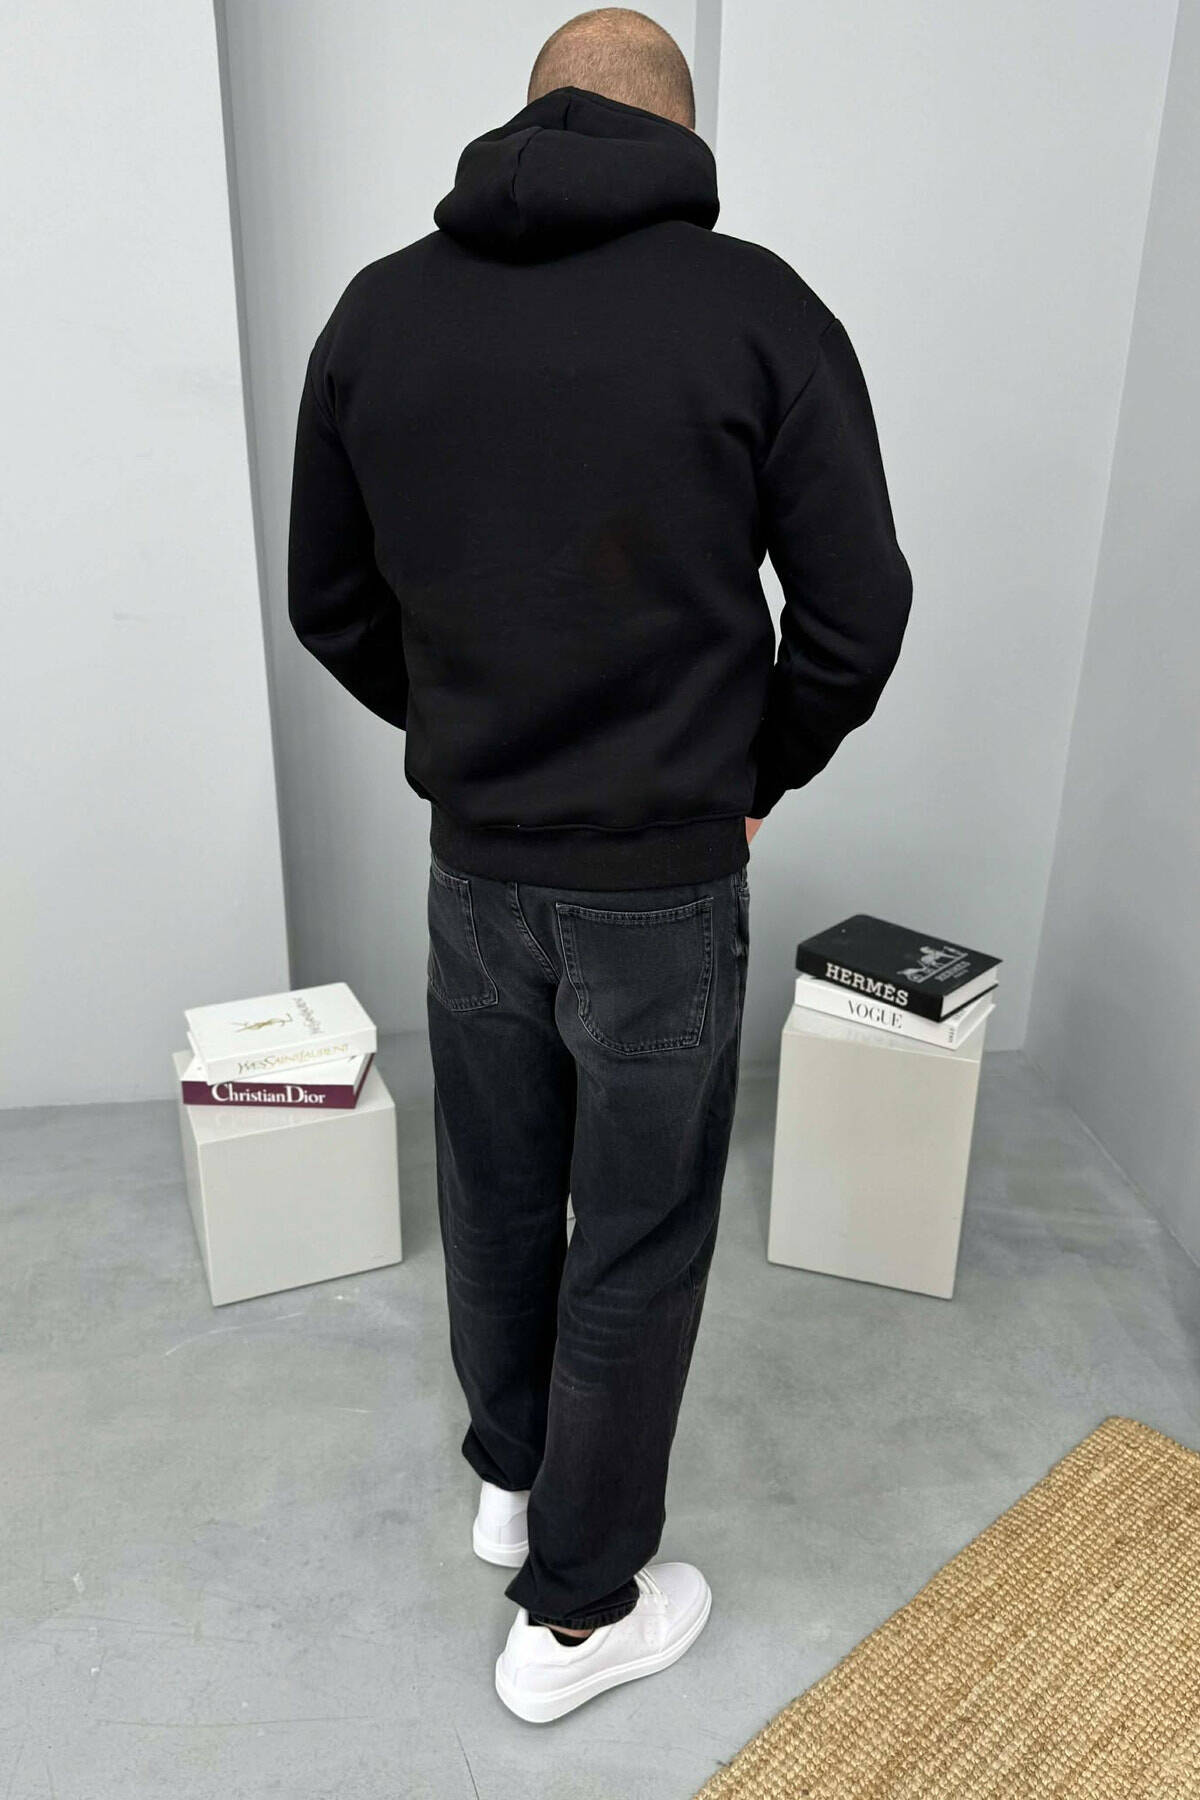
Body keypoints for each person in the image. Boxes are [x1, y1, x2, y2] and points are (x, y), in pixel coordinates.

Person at [288, 6, 912, 1724]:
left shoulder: (380, 311)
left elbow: (328, 602)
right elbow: (859, 612)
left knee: (496, 1195)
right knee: (635, 1237)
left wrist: (471, 738)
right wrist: (750, 774)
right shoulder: (758, 310)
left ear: (527, 117)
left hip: (475, 873)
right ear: (681, 139)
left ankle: (512, 1481)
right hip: (660, 884)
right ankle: (576, 1616)